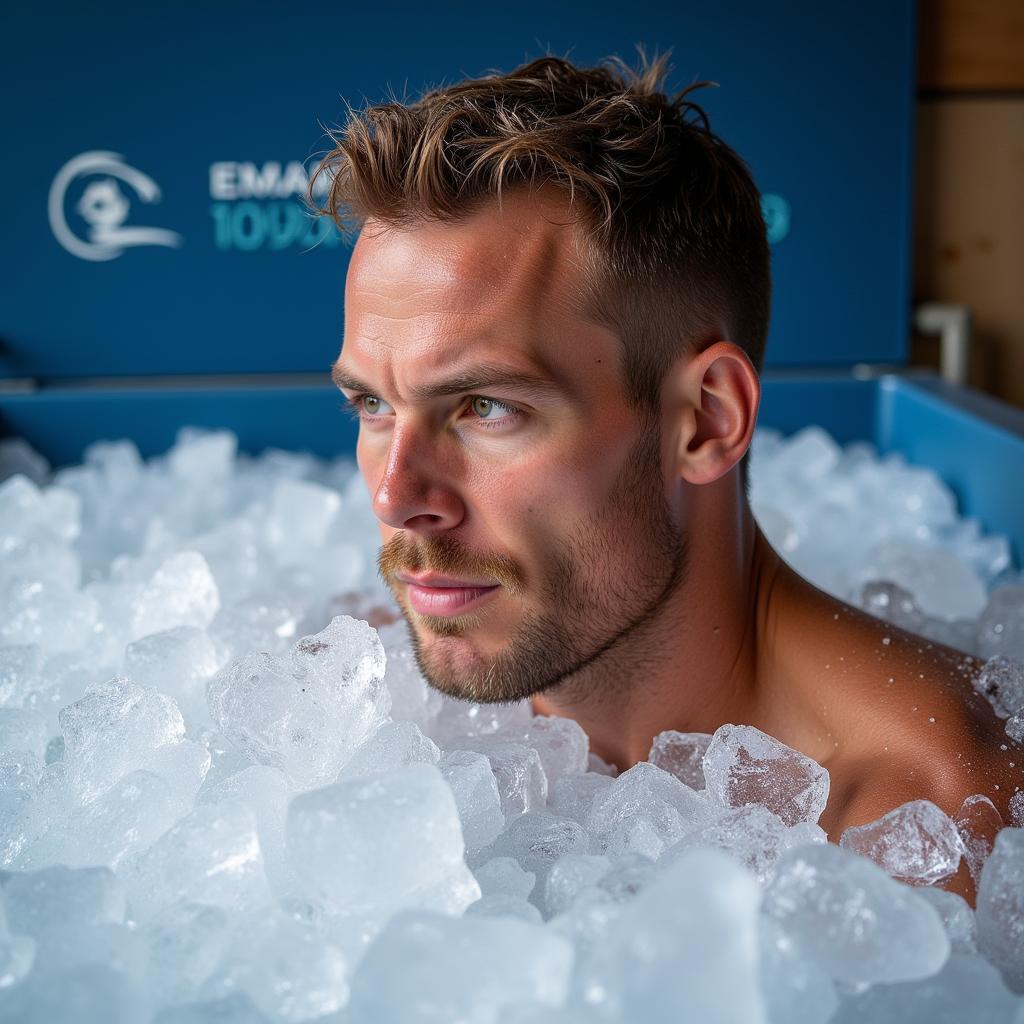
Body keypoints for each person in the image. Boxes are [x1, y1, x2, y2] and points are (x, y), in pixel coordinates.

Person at [311, 52, 1020, 901]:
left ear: (706, 420)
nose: (396, 498)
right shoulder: (359, 682)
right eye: (373, 407)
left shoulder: (928, 833)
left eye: (486, 408)